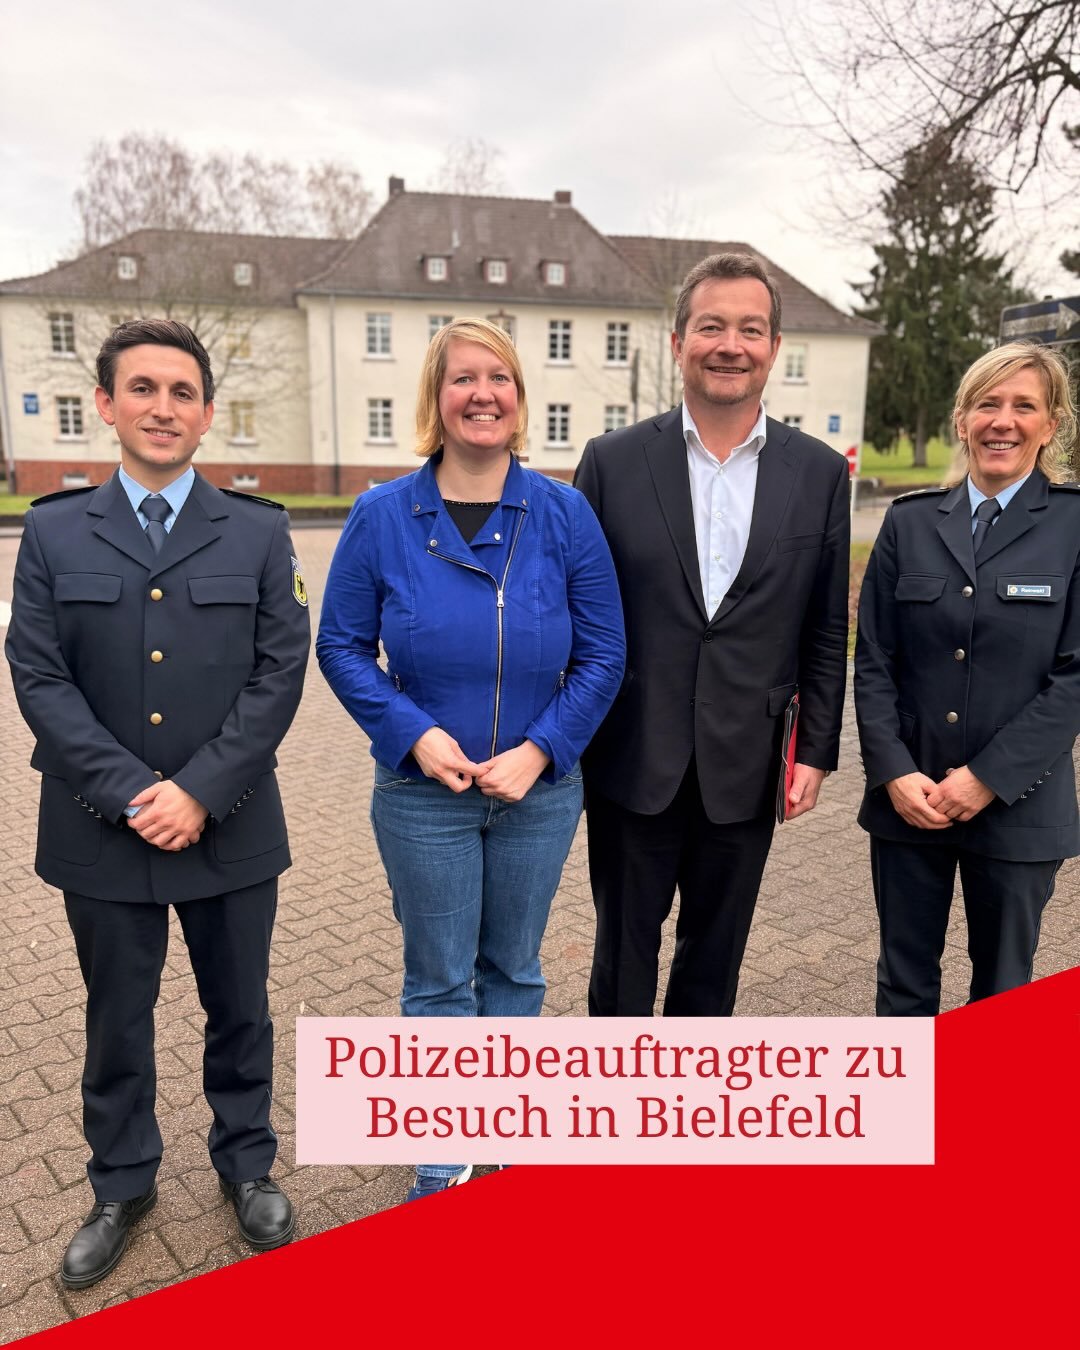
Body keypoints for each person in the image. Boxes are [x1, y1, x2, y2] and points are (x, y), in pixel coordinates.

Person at [5, 319, 309, 1288]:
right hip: (104, 828)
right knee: (115, 1019)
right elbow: (37, 674)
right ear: (105, 405)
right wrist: (138, 792)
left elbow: (278, 674)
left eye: (183, 392)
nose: (163, 407)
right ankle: (122, 1181)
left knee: (240, 1010)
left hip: (231, 822)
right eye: (143, 388)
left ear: (208, 413)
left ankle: (247, 1164)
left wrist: (200, 792)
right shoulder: (53, 530)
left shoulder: (260, 532)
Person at [317, 317, 624, 1198]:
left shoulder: (564, 515)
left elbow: (605, 652)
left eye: (499, 377)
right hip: (422, 797)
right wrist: (411, 731)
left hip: (538, 791)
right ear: (436, 399)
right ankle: (445, 1150)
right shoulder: (382, 516)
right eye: (462, 378)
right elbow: (339, 646)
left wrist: (544, 749)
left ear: (520, 399)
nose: (481, 393)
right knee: (440, 976)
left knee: (515, 968)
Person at [575, 253, 849, 1017]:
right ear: (677, 343)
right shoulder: (612, 462)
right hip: (633, 757)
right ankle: (612, 1117)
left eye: (750, 329)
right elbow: (579, 617)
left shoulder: (820, 473)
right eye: (712, 326)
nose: (731, 344)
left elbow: (827, 627)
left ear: (773, 347)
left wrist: (817, 751)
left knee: (715, 959)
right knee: (622, 954)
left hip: (749, 763)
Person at [855, 341, 1080, 1015]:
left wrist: (987, 778)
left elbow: (1075, 678)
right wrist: (893, 772)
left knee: (1003, 991)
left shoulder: (1073, 525)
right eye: (987, 403)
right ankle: (902, 1121)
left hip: (1019, 805)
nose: (1002, 421)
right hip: (910, 800)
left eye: (1023, 406)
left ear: (1053, 424)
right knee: (903, 984)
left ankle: (986, 1124)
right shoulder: (910, 521)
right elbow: (874, 662)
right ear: (962, 420)